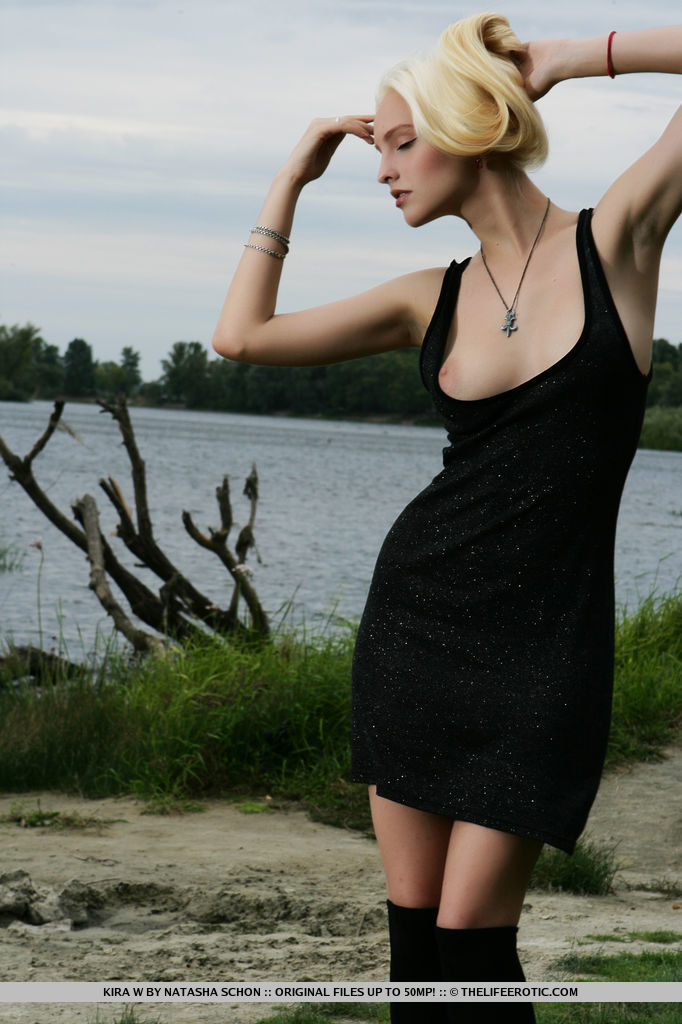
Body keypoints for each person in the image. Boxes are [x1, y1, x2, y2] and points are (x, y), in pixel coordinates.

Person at [213, 14, 681, 1022]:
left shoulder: (617, 240)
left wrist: (573, 58)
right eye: (376, 149)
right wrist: (292, 175)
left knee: (475, 942)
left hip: (546, 657)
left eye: (399, 142)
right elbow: (240, 337)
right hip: (415, 629)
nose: (382, 169)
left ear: (472, 126)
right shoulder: (425, 299)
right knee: (418, 944)